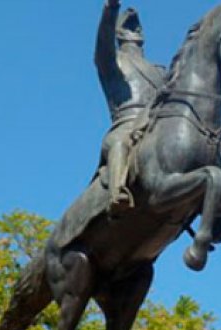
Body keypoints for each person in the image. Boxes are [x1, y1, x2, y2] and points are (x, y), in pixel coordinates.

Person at [95, 0, 166, 214]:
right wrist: (111, 9)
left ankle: (218, 216)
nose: (135, 30)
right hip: (127, 124)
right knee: (120, 143)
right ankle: (117, 194)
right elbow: (103, 42)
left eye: (137, 27)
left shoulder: (160, 71)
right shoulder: (111, 61)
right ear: (118, 34)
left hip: (155, 123)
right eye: (128, 26)